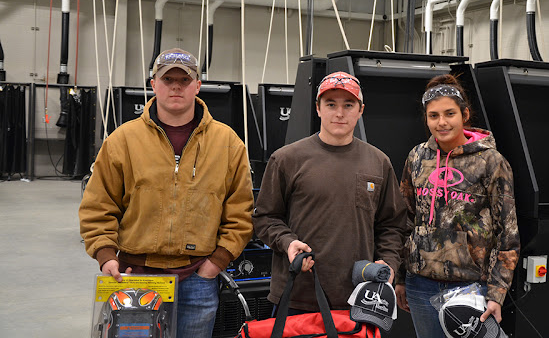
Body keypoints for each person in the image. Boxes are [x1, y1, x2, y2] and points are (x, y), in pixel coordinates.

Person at [79, 48, 254, 338]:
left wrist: (216, 263)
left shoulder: (227, 143)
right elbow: (98, 205)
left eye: (184, 80)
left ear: (197, 86)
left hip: (198, 278)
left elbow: (240, 211)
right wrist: (106, 255)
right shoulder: (123, 140)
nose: (175, 86)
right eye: (167, 78)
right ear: (153, 84)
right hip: (135, 275)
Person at [253, 71, 407, 313]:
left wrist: (388, 264)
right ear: (318, 108)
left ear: (361, 110)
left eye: (348, 105)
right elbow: (265, 218)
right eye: (331, 104)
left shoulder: (378, 162)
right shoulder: (286, 159)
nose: (339, 113)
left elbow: (393, 225)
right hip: (297, 296)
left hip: (360, 296)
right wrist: (288, 242)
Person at [395, 74, 520, 338]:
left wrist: (497, 293)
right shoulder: (417, 157)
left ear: (464, 114)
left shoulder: (491, 162)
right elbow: (404, 221)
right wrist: (400, 277)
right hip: (421, 284)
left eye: (449, 113)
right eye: (433, 115)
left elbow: (507, 235)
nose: (441, 122)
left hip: (471, 288)